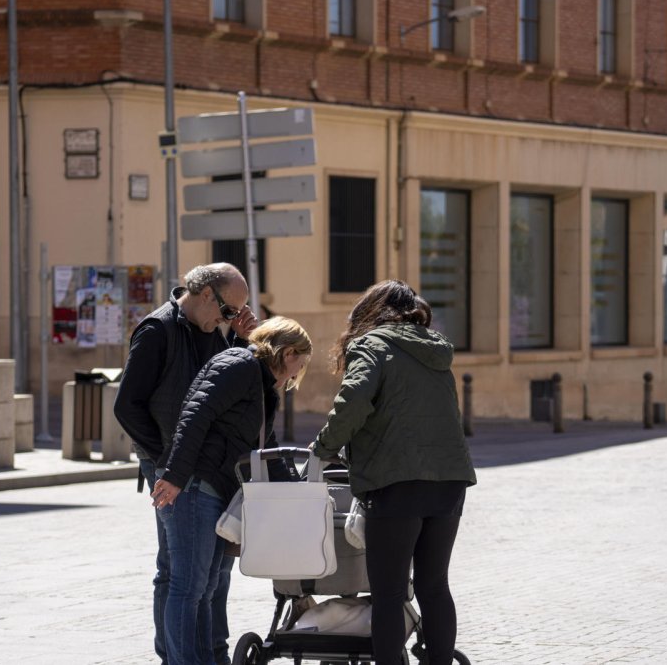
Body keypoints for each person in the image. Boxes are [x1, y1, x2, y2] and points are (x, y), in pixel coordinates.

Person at [311, 280, 477, 665]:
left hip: (396, 482)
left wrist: (323, 448)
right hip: (449, 481)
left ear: (369, 311)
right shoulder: (434, 350)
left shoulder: (372, 345)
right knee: (434, 586)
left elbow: (353, 400)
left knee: (388, 593)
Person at [114, 263, 257, 665]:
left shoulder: (213, 332)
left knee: (202, 571)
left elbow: (223, 390)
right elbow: (127, 405)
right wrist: (167, 462)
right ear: (207, 294)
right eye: (229, 311)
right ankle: (176, 656)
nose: (228, 320)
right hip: (169, 465)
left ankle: (201, 652)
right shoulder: (157, 330)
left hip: (203, 466)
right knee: (179, 571)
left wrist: (242, 341)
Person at [150, 317, 313, 664]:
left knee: (206, 588)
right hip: (193, 485)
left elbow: (265, 447)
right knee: (189, 586)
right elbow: (195, 416)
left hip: (213, 487)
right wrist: (177, 476)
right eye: (301, 363)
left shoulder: (260, 383)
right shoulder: (239, 365)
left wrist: (300, 494)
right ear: (288, 353)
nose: (298, 373)